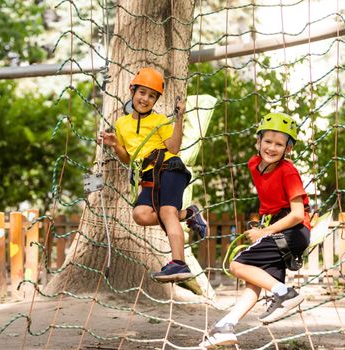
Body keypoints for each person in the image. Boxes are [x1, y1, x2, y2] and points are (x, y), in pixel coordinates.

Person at [201, 112, 311, 348]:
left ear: (287, 149)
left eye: (279, 144)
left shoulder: (288, 171)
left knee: (237, 265)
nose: (272, 147)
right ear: (258, 142)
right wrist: (264, 224)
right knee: (256, 280)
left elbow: (297, 214)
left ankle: (287, 293)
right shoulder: (254, 165)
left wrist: (264, 232)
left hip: (292, 231)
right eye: (268, 141)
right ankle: (226, 326)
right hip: (278, 230)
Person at [99, 67, 207, 283]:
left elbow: (174, 148)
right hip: (147, 178)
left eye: (151, 96)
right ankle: (189, 214)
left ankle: (179, 263)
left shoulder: (159, 121)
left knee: (167, 211)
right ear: (132, 91)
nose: (145, 99)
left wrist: (179, 119)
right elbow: (128, 159)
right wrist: (114, 145)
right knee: (140, 215)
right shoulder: (122, 124)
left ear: (156, 100)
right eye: (142, 93)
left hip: (169, 169)